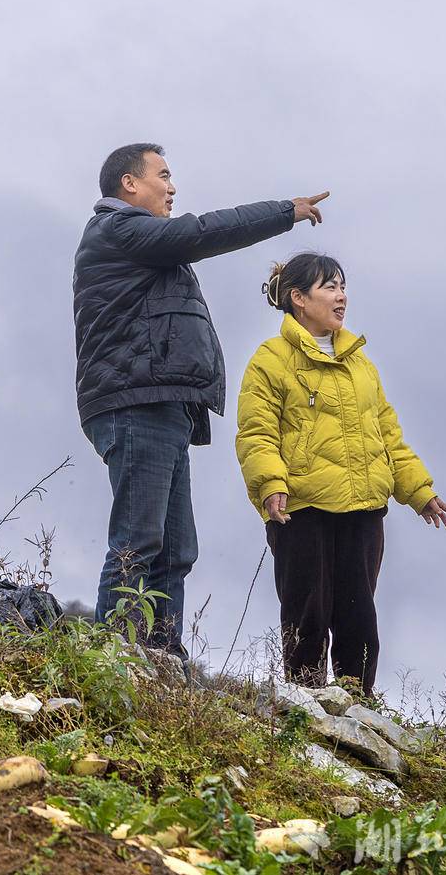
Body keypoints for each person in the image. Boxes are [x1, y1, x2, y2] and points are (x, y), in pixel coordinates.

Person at [73, 142, 329, 658]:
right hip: (136, 401)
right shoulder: (117, 230)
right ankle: (112, 658)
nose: (172, 186)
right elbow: (202, 231)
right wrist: (285, 212)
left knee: (175, 549)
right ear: (129, 183)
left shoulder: (138, 242)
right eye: (163, 175)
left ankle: (163, 661)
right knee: (139, 540)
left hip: (160, 402)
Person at [236, 252, 446, 694]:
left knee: (360, 615)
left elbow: (389, 436)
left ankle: (357, 704)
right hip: (302, 509)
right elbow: (257, 432)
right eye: (330, 288)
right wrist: (270, 485)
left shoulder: (361, 364)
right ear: (298, 298)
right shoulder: (270, 360)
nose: (342, 297)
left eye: (342, 287)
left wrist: (419, 491)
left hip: (364, 508)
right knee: (306, 612)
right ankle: (307, 703)